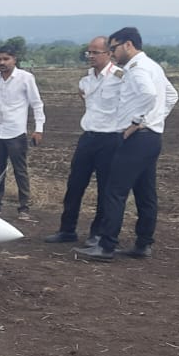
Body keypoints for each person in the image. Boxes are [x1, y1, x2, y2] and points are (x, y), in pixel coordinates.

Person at [76, 28, 178, 262]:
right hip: (152, 137)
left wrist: (136, 122)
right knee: (145, 192)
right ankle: (143, 243)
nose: (112, 53)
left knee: (115, 190)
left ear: (128, 45)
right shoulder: (153, 66)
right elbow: (171, 96)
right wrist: (155, 120)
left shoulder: (136, 69)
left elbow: (149, 95)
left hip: (136, 137)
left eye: (114, 48)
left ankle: (106, 245)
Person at [44, 37, 122, 245]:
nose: (91, 56)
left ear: (109, 54)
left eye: (96, 52)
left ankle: (98, 233)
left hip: (111, 138)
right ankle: (67, 229)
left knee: (105, 189)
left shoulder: (120, 78)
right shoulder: (86, 80)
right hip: (88, 137)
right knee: (75, 185)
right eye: (89, 52)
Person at [0, 45, 45, 218]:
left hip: (15, 132)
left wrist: (39, 129)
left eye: (6, 59)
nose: (2, 62)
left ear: (15, 60)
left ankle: (24, 207)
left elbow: (36, 104)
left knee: (19, 170)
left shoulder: (25, 78)